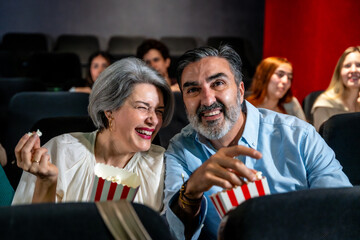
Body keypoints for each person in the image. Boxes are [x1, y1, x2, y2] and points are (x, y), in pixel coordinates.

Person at [163, 45, 352, 239]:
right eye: (193, 90)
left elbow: (342, 211)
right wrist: (191, 192)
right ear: (184, 100)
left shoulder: (300, 137)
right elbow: (173, 233)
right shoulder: (180, 150)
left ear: (240, 90)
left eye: (218, 83)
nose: (207, 100)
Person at [12, 58, 174, 212]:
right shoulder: (59, 151)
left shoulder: (163, 166)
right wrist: (46, 183)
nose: (154, 120)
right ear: (110, 110)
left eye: (159, 111)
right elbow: (26, 228)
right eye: (142, 107)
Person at [311, 46, 360, 131]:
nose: (353, 70)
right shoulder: (324, 105)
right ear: (339, 72)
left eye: (359, 65)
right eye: (347, 66)